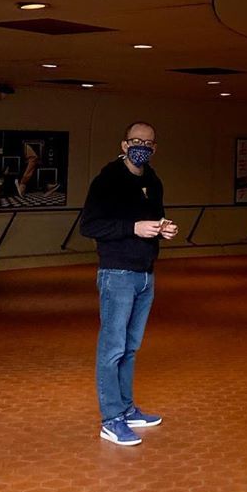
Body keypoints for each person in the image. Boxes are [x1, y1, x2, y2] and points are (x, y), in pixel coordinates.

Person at [79, 122, 178, 446]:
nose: (142, 147)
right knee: (112, 349)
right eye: (135, 141)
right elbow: (90, 225)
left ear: (155, 148)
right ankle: (111, 419)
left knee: (130, 348)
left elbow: (155, 216)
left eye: (148, 143)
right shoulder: (108, 180)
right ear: (124, 145)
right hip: (117, 274)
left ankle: (126, 408)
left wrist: (163, 228)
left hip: (145, 274)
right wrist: (132, 228)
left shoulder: (153, 180)